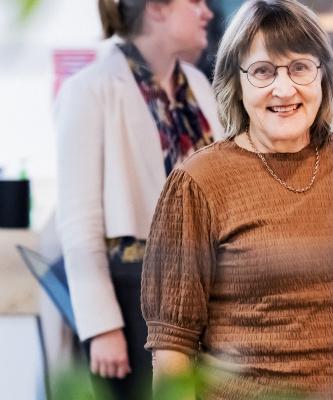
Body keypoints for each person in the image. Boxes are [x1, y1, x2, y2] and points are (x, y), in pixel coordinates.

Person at [141, 1, 333, 398]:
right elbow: (173, 350)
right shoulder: (197, 182)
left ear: (323, 76)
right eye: (263, 71)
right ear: (237, 82)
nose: (284, 89)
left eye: (300, 67)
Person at [53, 0, 218, 398]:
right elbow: (79, 222)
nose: (207, 12)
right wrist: (102, 326)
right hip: (130, 300)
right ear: (157, 9)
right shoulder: (88, 90)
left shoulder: (198, 85)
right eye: (194, 1)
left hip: (204, 294)